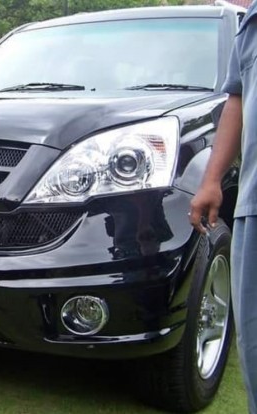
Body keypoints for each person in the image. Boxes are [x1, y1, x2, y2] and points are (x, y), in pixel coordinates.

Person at [189, 3, 257, 413]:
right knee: (253, 341)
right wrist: (212, 178)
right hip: (253, 202)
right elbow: (237, 97)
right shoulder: (250, 23)